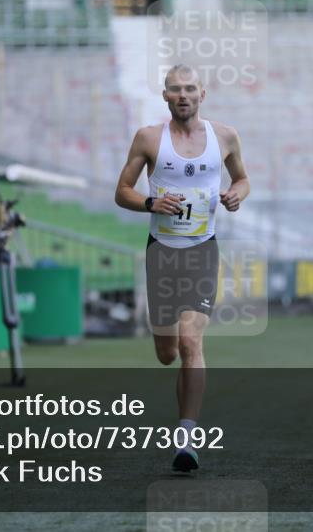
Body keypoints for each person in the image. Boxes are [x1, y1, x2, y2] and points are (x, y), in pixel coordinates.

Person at [115, 64, 250, 473]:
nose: (183, 96)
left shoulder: (224, 137)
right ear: (165, 96)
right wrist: (151, 203)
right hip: (162, 253)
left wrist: (235, 195)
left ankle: (186, 439)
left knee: (192, 342)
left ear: (202, 94)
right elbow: (122, 191)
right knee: (166, 352)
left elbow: (243, 179)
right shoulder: (148, 139)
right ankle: (168, 354)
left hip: (202, 251)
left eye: (190, 89)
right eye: (175, 90)